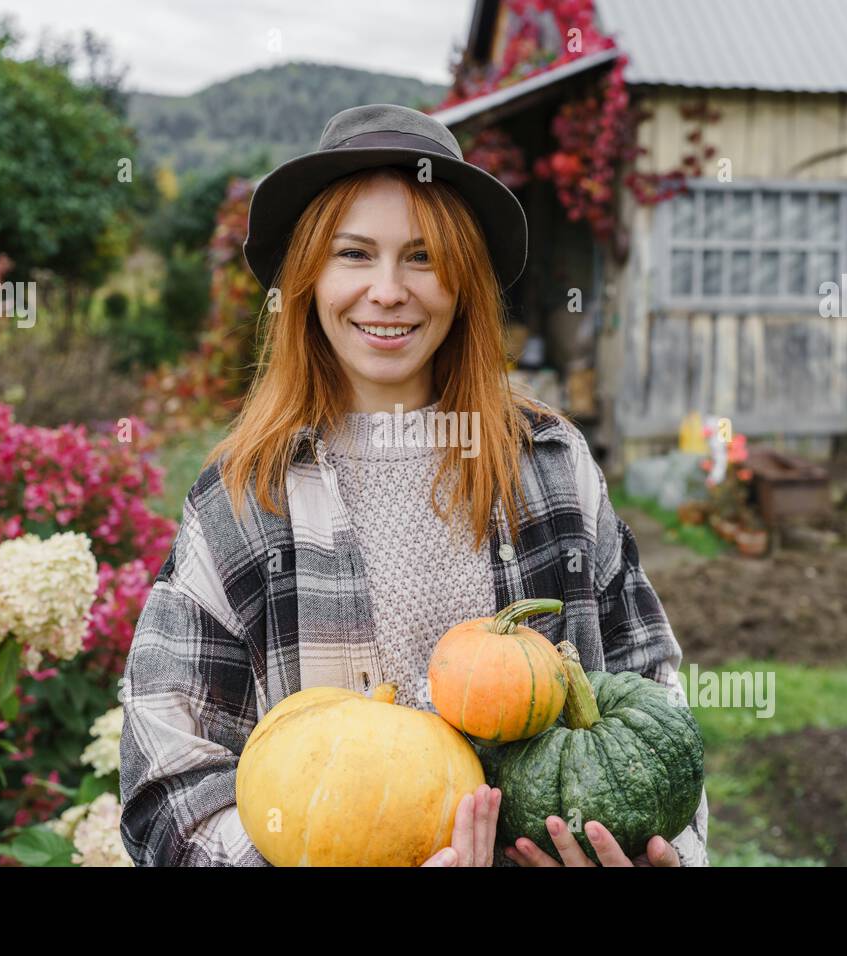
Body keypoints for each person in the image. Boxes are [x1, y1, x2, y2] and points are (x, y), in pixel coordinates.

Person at [118, 103, 709, 868]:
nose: (389, 291)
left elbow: (651, 692)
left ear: (463, 282)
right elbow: (163, 766)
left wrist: (663, 853)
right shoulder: (246, 498)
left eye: (423, 258)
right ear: (308, 279)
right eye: (355, 254)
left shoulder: (551, 467)